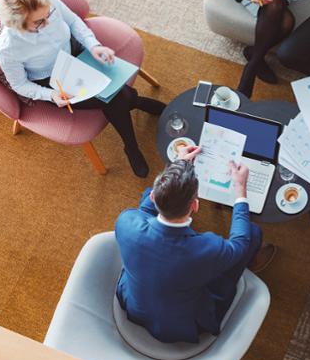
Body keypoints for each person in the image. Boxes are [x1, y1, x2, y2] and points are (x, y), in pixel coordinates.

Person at [0, 0, 165, 178]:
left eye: (48, 14)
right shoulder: (8, 49)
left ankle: (135, 108)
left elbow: (74, 22)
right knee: (115, 97)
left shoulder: (46, 3)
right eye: (39, 23)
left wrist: (93, 46)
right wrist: (51, 95)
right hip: (52, 80)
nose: (48, 22)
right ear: (18, 26)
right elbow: (19, 84)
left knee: (115, 94)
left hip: (75, 53)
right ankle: (132, 139)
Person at [115, 144, 277, 344]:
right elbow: (240, 243)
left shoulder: (125, 222)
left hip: (135, 306)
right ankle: (248, 264)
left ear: (153, 197)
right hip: (184, 325)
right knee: (252, 233)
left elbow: (146, 209)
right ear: (195, 205)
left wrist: (179, 166)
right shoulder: (206, 249)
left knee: (144, 204)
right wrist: (241, 191)